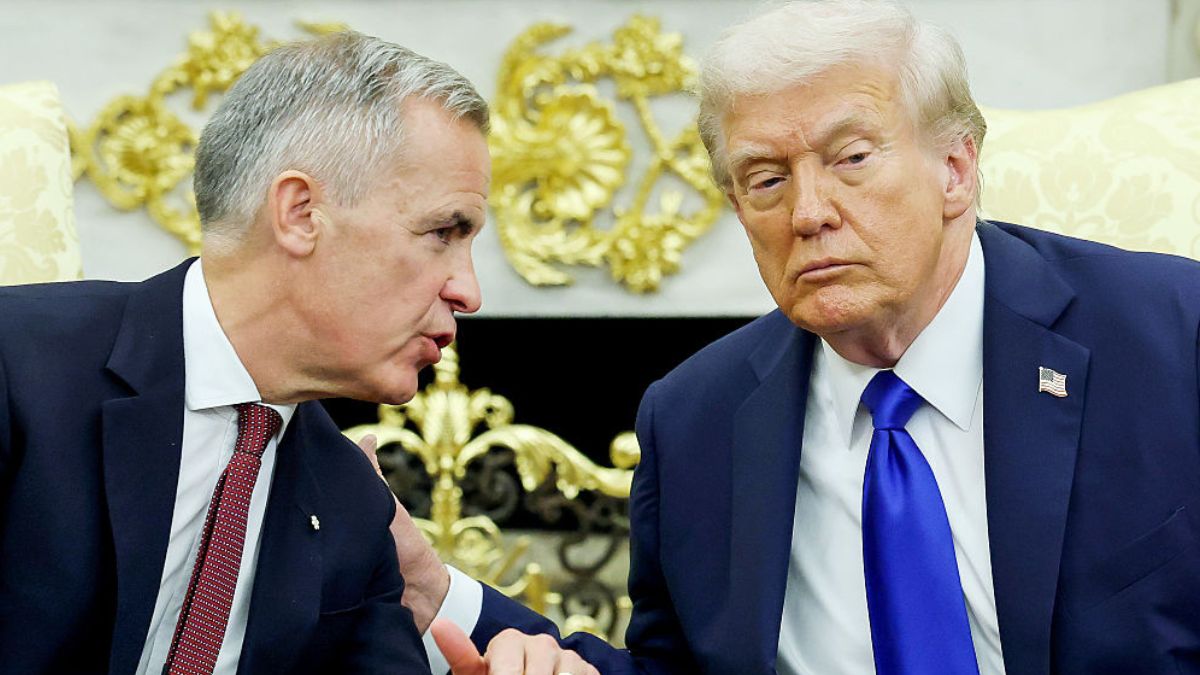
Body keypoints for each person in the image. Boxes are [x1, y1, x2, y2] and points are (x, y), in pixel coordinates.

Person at [389, 1, 1200, 673]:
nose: (807, 213)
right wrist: (444, 594)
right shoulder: (694, 419)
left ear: (956, 167)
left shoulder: (1166, 337)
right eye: (766, 179)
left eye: (850, 158)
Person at [0, 32, 491, 674]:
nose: (470, 292)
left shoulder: (353, 503)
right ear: (300, 213)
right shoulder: (18, 369)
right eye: (443, 233)